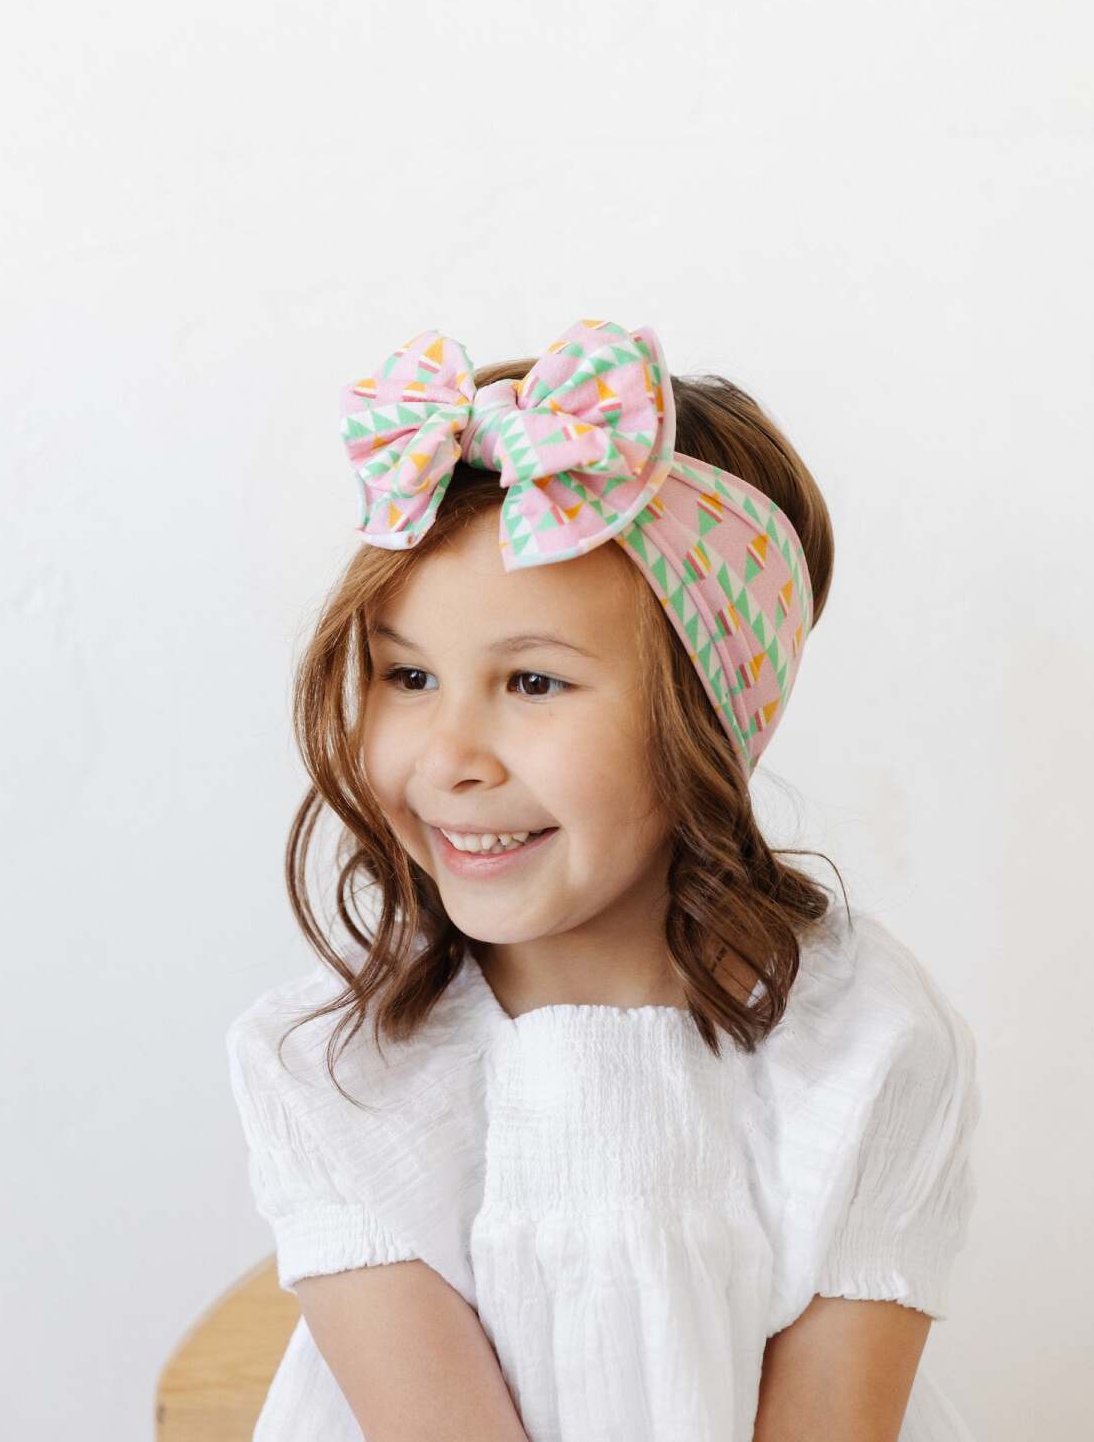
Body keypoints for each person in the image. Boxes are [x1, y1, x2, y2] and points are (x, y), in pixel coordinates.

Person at [225, 317, 982, 1441]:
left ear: (712, 717)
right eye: (408, 676)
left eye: (533, 682)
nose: (449, 758)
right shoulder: (341, 1069)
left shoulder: (867, 1043)